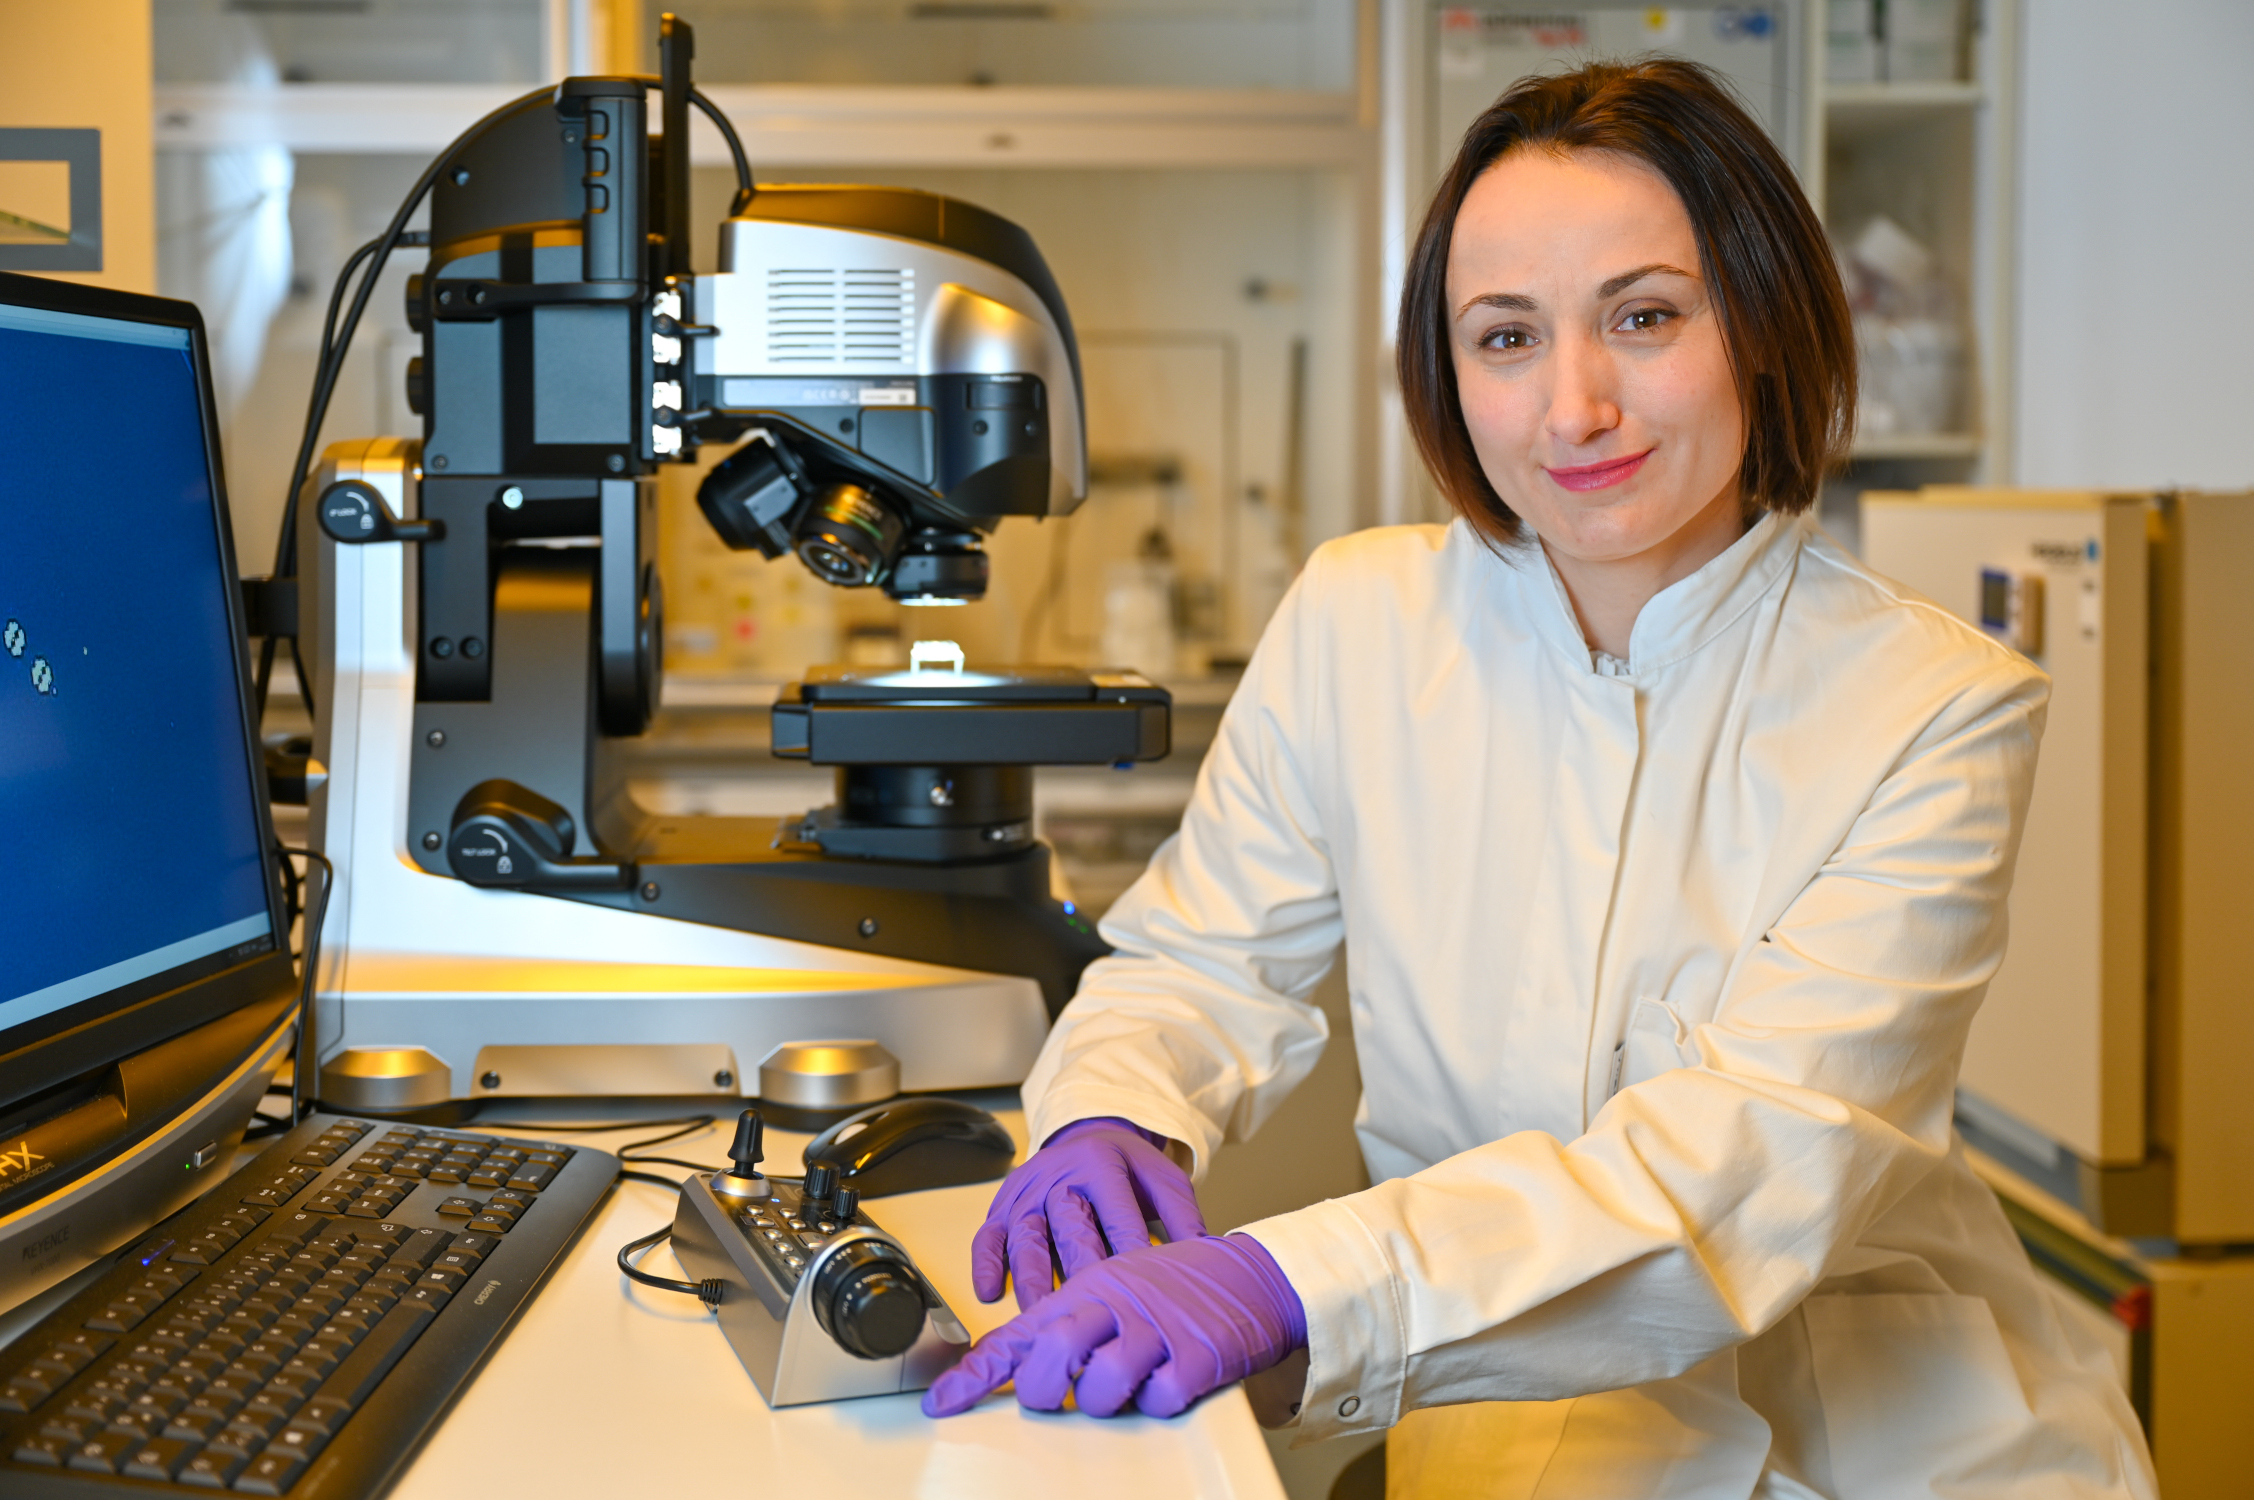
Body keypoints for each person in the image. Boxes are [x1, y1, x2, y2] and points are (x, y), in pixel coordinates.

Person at [923, 58, 2157, 1500]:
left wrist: (1291, 1283)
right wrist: (1112, 1107)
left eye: (1644, 317)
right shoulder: (1361, 621)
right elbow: (1202, 960)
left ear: (1761, 326)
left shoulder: (1930, 703)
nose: (1575, 408)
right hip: (1496, 1445)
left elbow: (1746, 1164)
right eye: (1505, 337)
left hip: (1866, 1457)